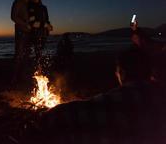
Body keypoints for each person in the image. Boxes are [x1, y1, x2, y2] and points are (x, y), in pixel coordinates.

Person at [25, 48, 166, 143]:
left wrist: (43, 116)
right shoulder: (159, 93)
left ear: (121, 72)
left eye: (116, 71)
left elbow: (59, 116)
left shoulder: (116, 101)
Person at [11, 0, 33, 83]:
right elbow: (13, 17)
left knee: (27, 55)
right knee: (18, 54)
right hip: (20, 32)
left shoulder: (31, 3)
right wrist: (25, 24)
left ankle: (23, 76)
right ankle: (14, 77)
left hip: (30, 33)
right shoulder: (18, 2)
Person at [28, 0, 53, 67]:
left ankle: (40, 69)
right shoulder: (31, 8)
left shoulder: (44, 8)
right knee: (38, 53)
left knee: (41, 51)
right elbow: (33, 23)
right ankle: (38, 70)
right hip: (36, 34)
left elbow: (47, 20)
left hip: (44, 34)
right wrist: (45, 25)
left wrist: (49, 26)